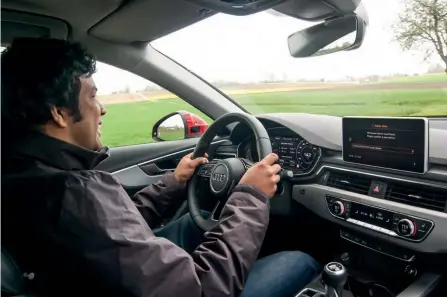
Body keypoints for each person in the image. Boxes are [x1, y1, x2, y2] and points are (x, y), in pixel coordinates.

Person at [1, 37, 320, 297]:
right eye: (93, 96)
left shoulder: (25, 174)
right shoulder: (74, 192)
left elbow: (110, 234)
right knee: (299, 259)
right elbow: (204, 289)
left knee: (198, 224)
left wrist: (173, 183)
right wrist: (250, 195)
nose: (102, 109)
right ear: (58, 112)